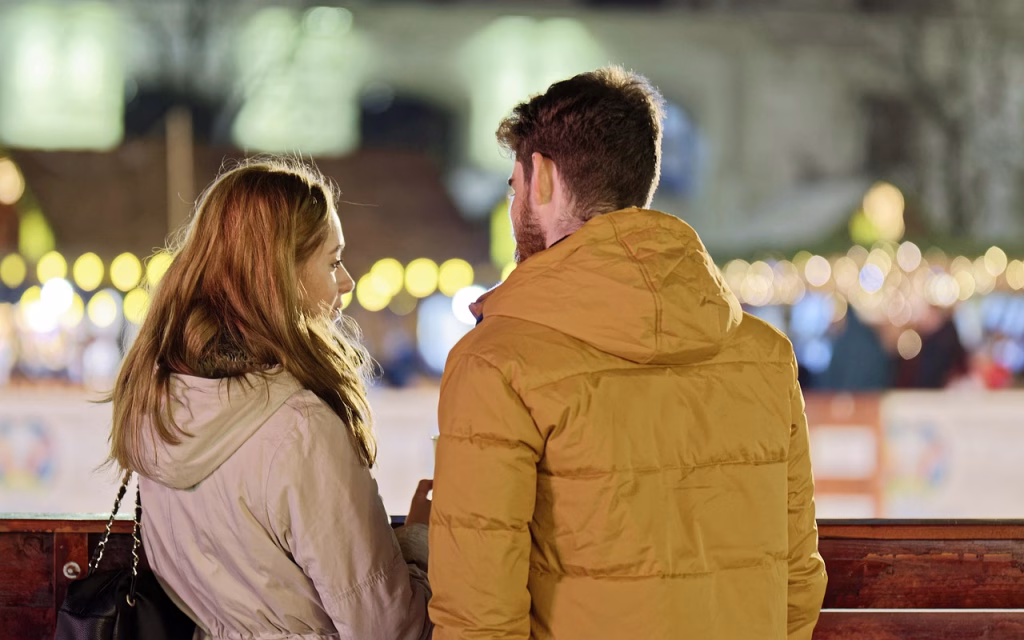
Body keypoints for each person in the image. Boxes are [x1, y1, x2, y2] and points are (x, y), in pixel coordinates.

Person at [429, 67, 827, 639]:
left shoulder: (497, 363)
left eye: (513, 188)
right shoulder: (764, 357)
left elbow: (478, 614)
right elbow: (797, 583)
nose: (514, 204)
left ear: (541, 177)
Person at [108, 158, 434, 639]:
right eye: (333, 261)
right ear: (281, 276)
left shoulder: (161, 408)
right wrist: (423, 547)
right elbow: (385, 628)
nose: (346, 282)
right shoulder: (299, 428)